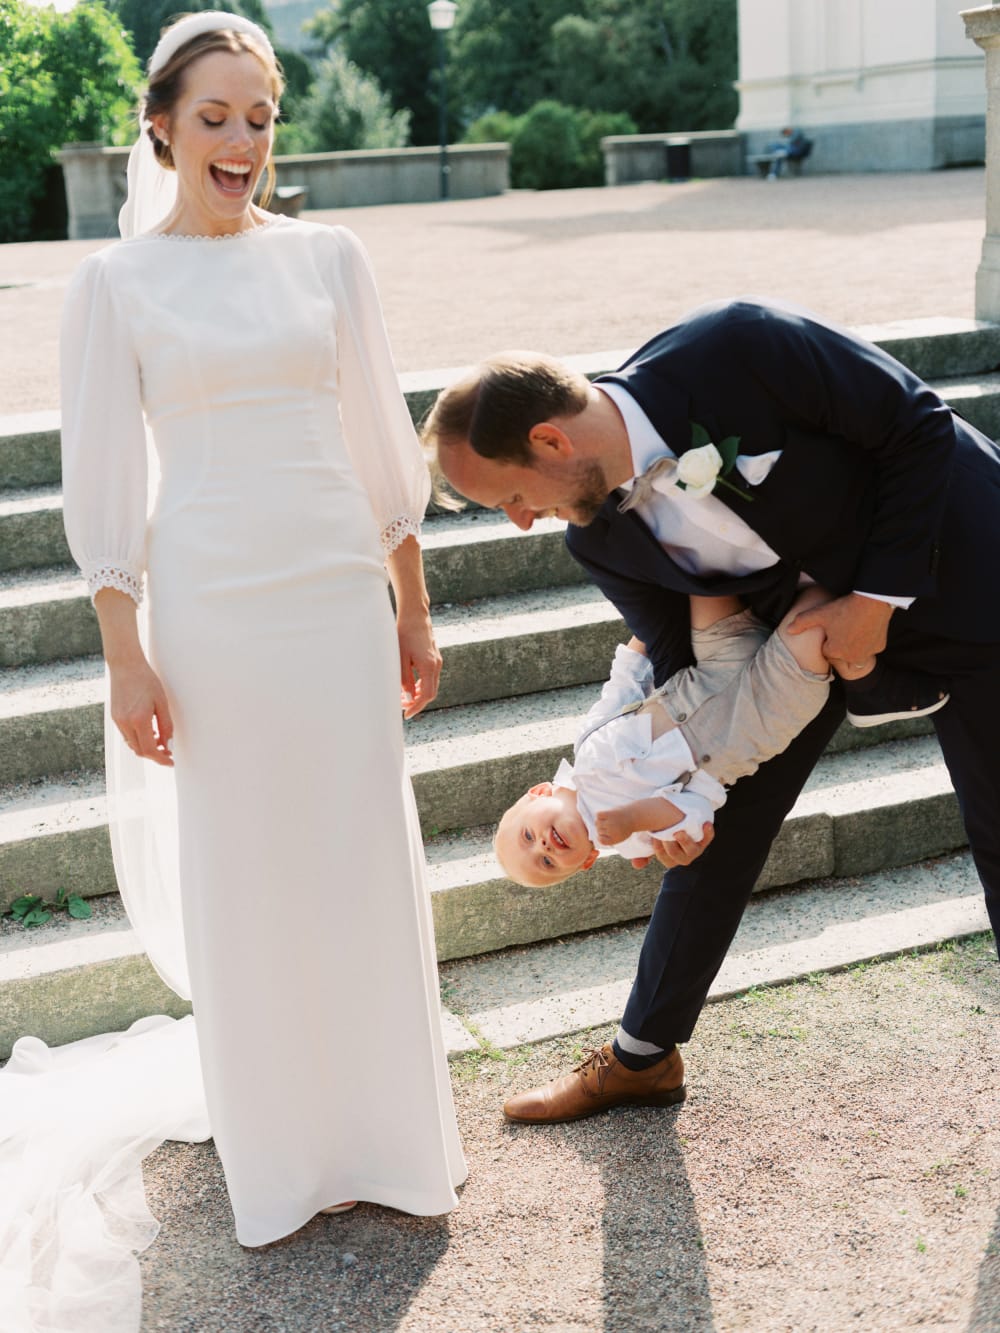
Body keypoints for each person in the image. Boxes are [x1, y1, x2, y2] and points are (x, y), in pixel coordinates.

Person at [2, 12, 465, 1328]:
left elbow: (382, 444)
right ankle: (286, 1163)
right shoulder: (114, 286)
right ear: (161, 125)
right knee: (250, 868)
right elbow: (98, 482)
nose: (242, 143)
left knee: (359, 851)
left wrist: (411, 608)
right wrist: (124, 653)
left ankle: (390, 1142)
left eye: (259, 118)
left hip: (331, 595)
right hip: (209, 606)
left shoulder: (331, 256)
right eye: (215, 119)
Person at [423, 298, 1000, 1126]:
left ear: (551, 439)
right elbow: (676, 661)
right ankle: (642, 1058)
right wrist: (682, 798)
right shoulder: (597, 538)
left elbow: (917, 422)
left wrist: (874, 600)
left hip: (966, 569)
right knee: (714, 841)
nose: (519, 520)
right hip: (784, 662)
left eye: (513, 494)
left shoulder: (736, 346)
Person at [496, 584, 948, 888]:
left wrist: (644, 629)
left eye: (528, 836)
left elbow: (623, 686)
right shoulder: (629, 841)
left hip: (710, 669)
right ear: (585, 863)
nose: (544, 846)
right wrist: (636, 818)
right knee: (816, 610)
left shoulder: (585, 745)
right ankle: (869, 679)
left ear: (539, 794)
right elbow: (696, 808)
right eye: (548, 864)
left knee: (704, 580)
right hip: (755, 717)